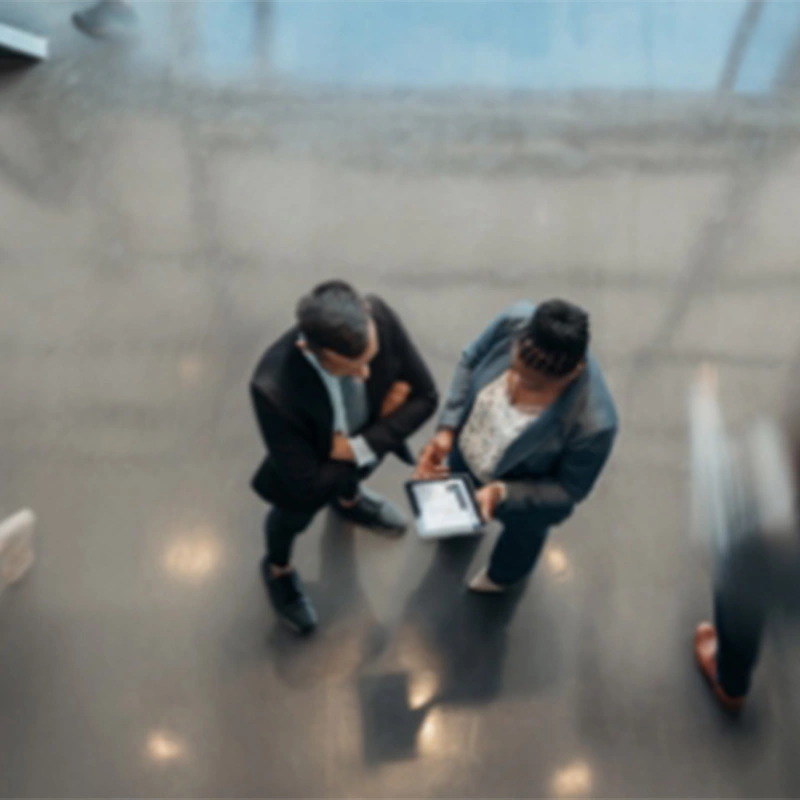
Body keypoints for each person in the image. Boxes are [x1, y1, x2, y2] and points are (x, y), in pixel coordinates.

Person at [250, 281, 438, 634]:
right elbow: (307, 485)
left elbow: (426, 397)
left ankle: (350, 502)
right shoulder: (272, 390)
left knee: (353, 477)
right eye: (349, 369)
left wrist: (358, 446)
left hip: (351, 451)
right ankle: (278, 569)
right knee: (289, 521)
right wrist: (390, 413)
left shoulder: (378, 315)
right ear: (310, 349)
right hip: (303, 480)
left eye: (370, 360)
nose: (365, 375)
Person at [416, 299, 617, 592]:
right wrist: (448, 429)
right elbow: (470, 359)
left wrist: (501, 492)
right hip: (469, 452)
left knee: (521, 539)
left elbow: (570, 489)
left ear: (573, 373)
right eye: (515, 371)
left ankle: (503, 575)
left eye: (535, 386)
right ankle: (460, 522)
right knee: (460, 499)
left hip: (523, 494)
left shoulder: (594, 425)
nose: (516, 388)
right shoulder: (514, 321)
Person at [693, 367, 800, 712]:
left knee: (738, 632)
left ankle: (731, 686)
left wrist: (703, 403)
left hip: (755, 579)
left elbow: (712, 480)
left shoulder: (765, 486)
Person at [72, 0, 138, 41]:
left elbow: (132, 29)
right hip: (98, 28)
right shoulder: (102, 6)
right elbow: (79, 17)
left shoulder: (125, 11)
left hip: (116, 36)